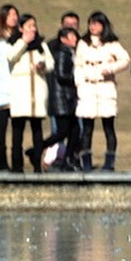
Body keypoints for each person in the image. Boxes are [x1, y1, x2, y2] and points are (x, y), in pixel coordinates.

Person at [75, 11, 130, 171]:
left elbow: (125, 59)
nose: (93, 27)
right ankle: (86, 162)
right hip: (87, 88)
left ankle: (109, 162)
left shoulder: (112, 43)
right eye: (91, 23)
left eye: (97, 23)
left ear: (103, 25)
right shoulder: (83, 43)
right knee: (87, 128)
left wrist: (110, 68)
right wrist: (79, 82)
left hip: (105, 88)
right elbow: (78, 64)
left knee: (108, 126)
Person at [7, 13, 53, 173]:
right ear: (20, 28)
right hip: (21, 92)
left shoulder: (41, 44)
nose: (32, 29)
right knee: (17, 130)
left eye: (34, 25)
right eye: (28, 26)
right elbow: (10, 57)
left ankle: (37, 165)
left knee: (37, 130)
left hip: (37, 93)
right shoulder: (13, 43)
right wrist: (23, 42)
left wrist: (43, 66)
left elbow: (50, 63)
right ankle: (16, 165)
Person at [42, 27, 80, 171]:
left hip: (66, 98)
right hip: (62, 98)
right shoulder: (63, 54)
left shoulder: (68, 52)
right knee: (64, 131)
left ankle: (67, 161)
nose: (75, 39)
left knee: (74, 131)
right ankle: (38, 148)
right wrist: (78, 77)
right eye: (71, 36)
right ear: (63, 39)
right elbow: (62, 75)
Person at [0, 4, 20, 171]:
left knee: (17, 126)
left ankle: (17, 161)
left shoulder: (20, 37)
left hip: (17, 87)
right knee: (1, 125)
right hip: (1, 87)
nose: (14, 18)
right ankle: (1, 161)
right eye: (10, 15)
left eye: (15, 14)